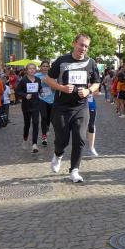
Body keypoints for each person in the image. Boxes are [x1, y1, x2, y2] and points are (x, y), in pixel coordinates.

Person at [45, 35, 100, 182]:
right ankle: (58, 155)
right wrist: (61, 88)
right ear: (74, 43)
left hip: (81, 107)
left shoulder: (90, 62)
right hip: (61, 107)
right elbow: (48, 79)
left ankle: (74, 170)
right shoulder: (62, 60)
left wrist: (88, 91)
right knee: (62, 139)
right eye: (81, 45)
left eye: (86, 46)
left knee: (80, 138)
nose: (83, 48)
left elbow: (96, 82)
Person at [15, 63, 43, 153]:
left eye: (33, 68)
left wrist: (41, 92)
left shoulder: (38, 79)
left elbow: (40, 89)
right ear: (26, 70)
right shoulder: (23, 80)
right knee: (27, 124)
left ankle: (34, 144)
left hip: (36, 105)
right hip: (26, 106)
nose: (32, 70)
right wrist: (25, 95)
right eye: (30, 68)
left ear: (36, 70)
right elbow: (18, 91)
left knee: (35, 123)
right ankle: (25, 138)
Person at [37, 60, 54, 147]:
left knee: (49, 118)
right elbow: (34, 88)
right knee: (43, 116)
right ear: (40, 67)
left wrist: (50, 83)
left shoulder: (52, 76)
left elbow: (56, 88)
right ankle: (44, 137)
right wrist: (41, 83)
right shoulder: (37, 76)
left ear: (49, 68)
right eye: (43, 66)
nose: (45, 68)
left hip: (52, 99)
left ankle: (47, 126)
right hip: (41, 99)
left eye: (47, 66)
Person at [86, 90, 98, 157]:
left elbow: (97, 92)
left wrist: (90, 91)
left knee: (91, 126)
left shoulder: (92, 83)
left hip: (91, 105)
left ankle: (91, 148)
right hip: (78, 106)